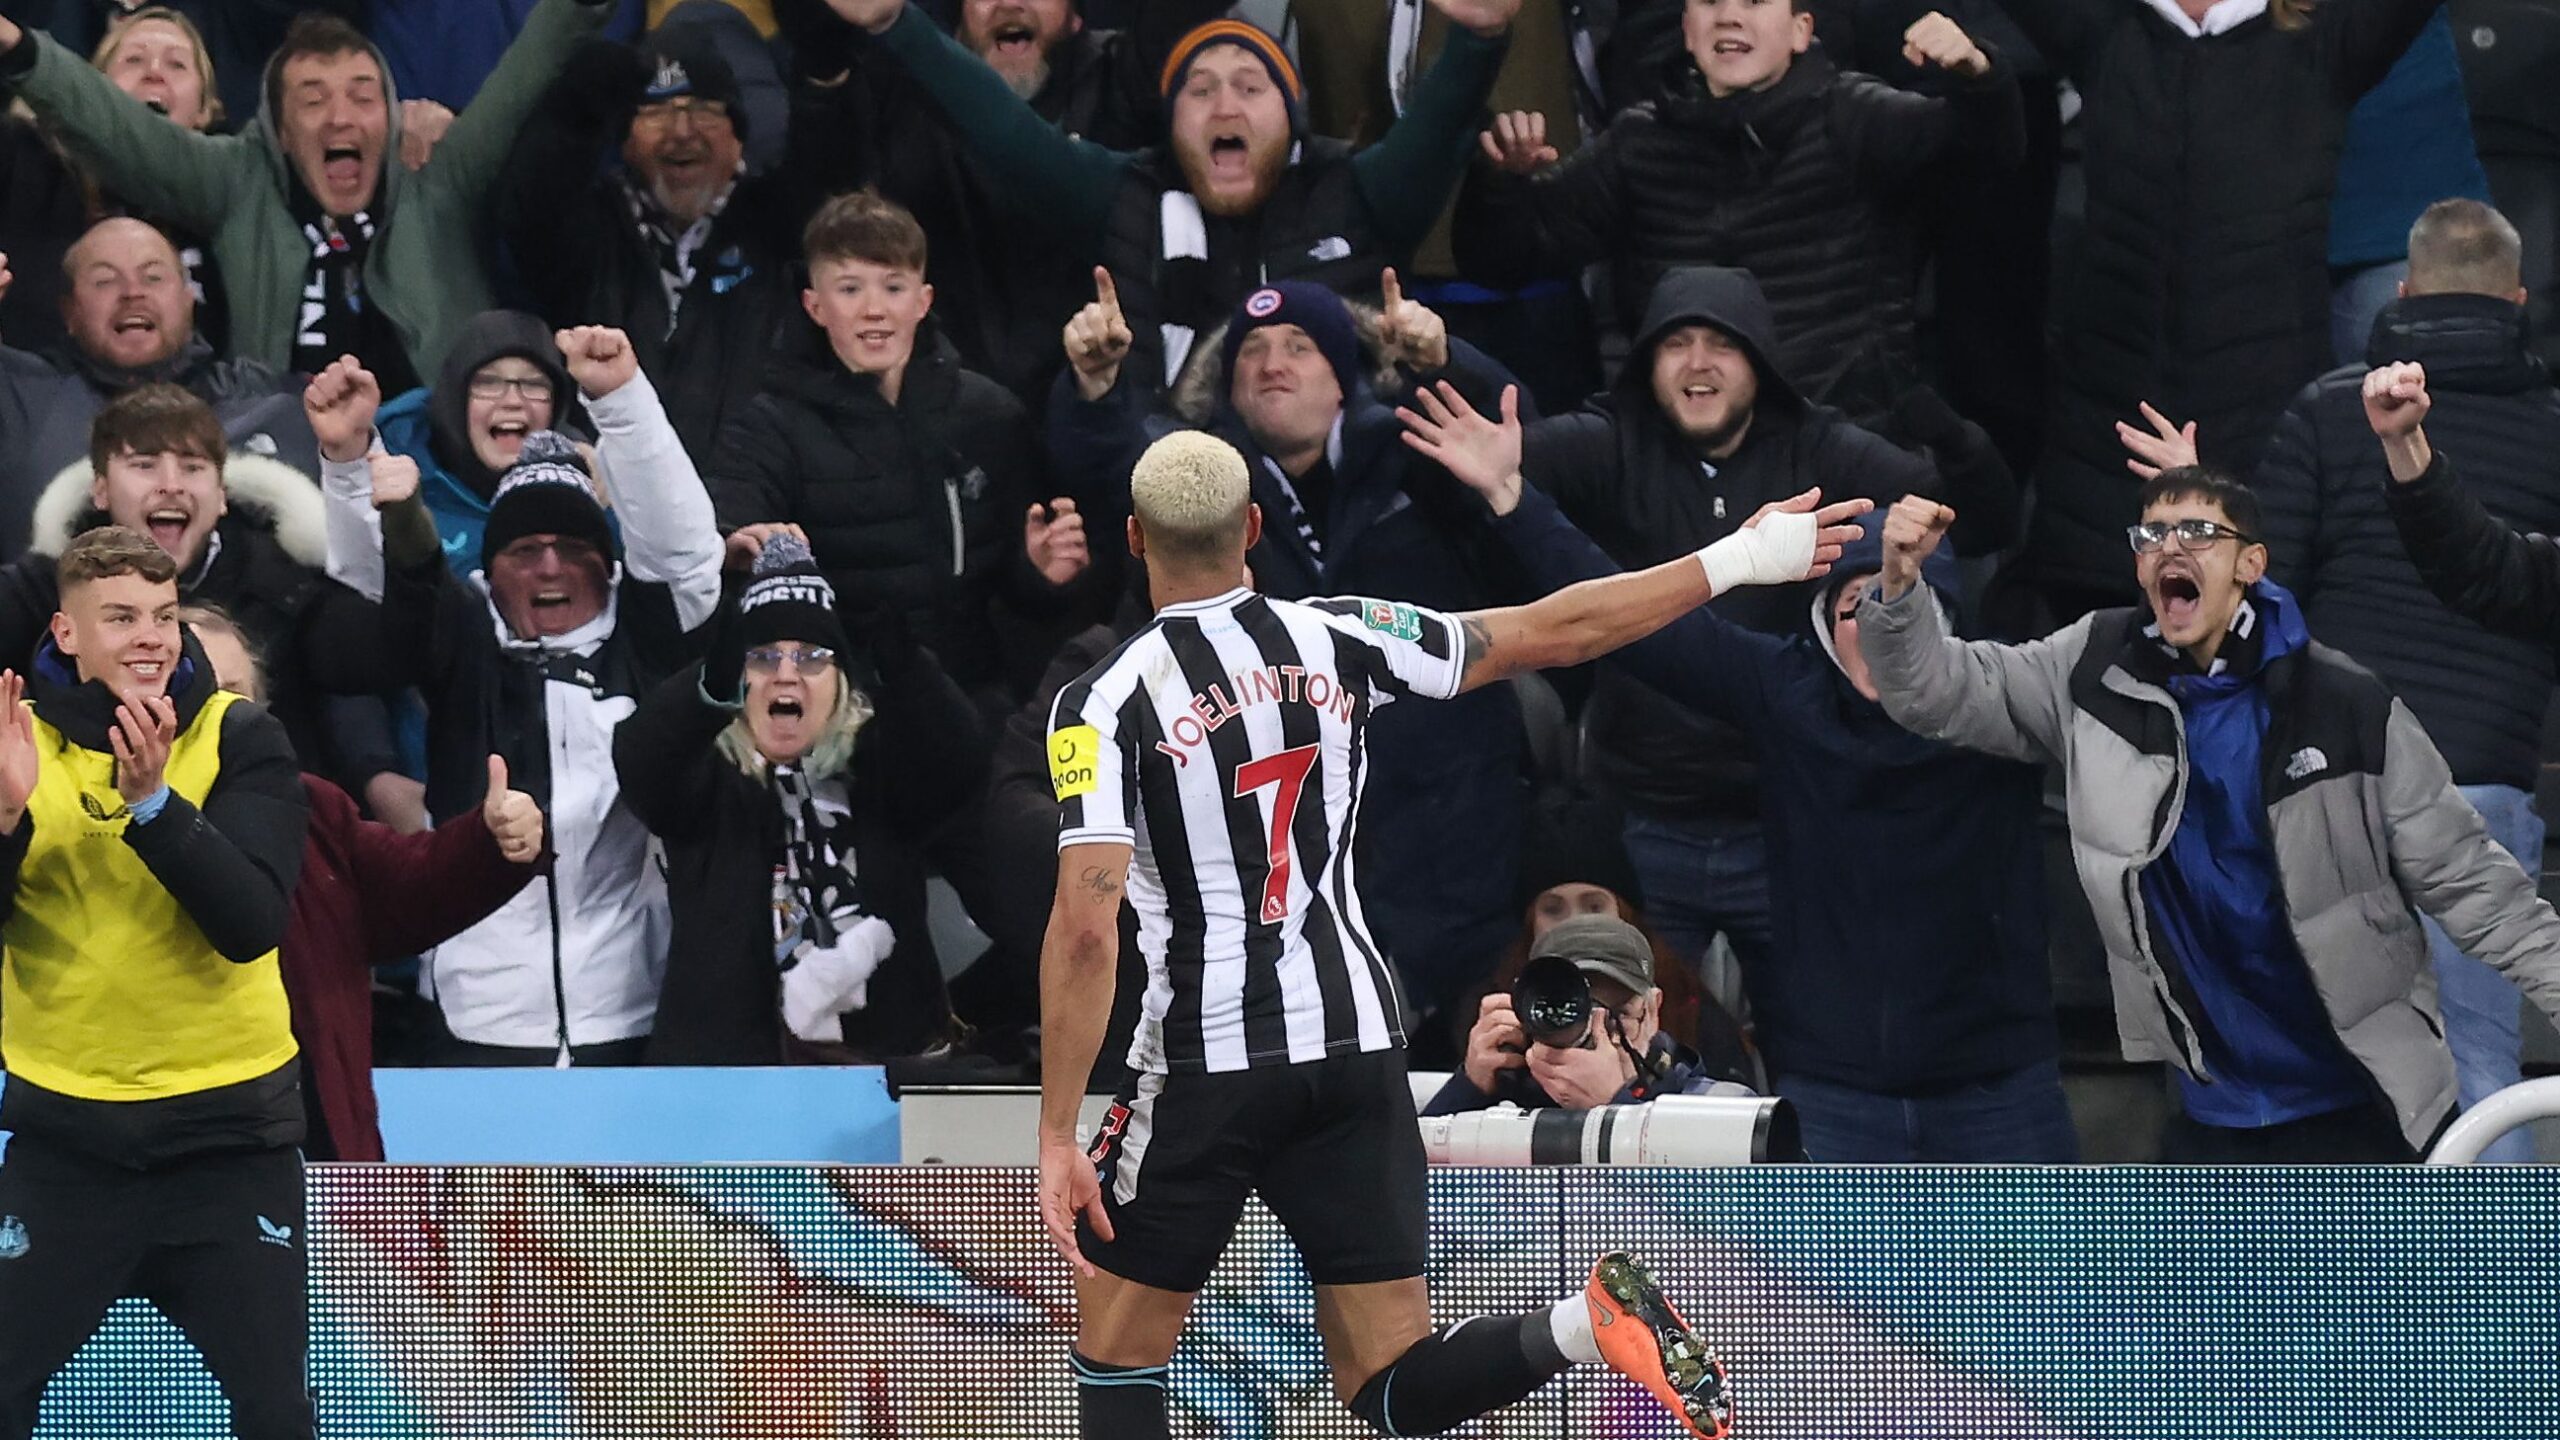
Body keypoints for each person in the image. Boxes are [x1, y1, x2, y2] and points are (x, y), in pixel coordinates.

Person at [1039, 428, 1871, 1439]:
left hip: (1207, 1057)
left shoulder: (1100, 703)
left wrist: (1054, 1132)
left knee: (1116, 1361)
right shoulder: (1339, 633)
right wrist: (1738, 558)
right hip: (1353, 1047)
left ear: (1132, 537)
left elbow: (1087, 931)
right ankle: (1580, 1323)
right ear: (1254, 528)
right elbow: (1550, 630)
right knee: (1388, 1380)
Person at [1412, 381, 2070, 1157]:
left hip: (1999, 1084)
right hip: (1834, 1085)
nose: (1875, 631)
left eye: (1900, 608)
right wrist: (1510, 495)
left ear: (1944, 621)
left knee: (2038, 1281)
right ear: (1823, 622)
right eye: (1853, 607)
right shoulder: (1788, 689)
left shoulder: (2008, 700)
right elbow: (1635, 622)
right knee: (1822, 1286)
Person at [1860, 473, 2560, 1163]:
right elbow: (1936, 693)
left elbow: (2478, 889)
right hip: (2208, 1111)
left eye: (2199, 532)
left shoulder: (2343, 702)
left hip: (2358, 1105)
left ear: (2251, 563)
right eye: (2152, 534)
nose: (2171, 548)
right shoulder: (2092, 668)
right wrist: (1898, 589)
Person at [2123, 199, 2560, 1164]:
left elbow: (2265, 597)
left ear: (2402, 292)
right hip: (2482, 778)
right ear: (2519, 299)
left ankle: (2307, 1304)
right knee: (2479, 1067)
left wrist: (2200, 504)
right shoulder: (2550, 422)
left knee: (2317, 1054)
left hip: (2334, 782)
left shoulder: (2331, 409)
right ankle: (2488, 1309)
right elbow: (2511, 584)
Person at [1498, 264, 2012, 993]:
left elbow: (1981, 518)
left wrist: (1934, 421)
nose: (1698, 363)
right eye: (1677, 342)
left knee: (1811, 1041)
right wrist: (1450, 364)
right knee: (1633, 1040)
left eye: (1722, 344)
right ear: (1647, 362)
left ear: (1762, 364)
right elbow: (1496, 458)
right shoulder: (1616, 438)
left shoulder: (1822, 448)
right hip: (1644, 815)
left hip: (1783, 821)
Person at [1049, 273, 1535, 1032]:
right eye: (1252, 350)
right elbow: (1111, 470)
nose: (1273, 363)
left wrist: (1442, 367)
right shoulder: (1201, 493)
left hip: (1451, 825)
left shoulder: (1418, 459)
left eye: (1300, 346)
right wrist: (1096, 384)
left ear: (1344, 378)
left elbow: (1514, 448)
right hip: (1283, 856)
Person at [316, 325, 723, 1064]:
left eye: (573, 549)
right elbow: (382, 595)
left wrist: (623, 402)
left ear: (607, 563)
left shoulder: (645, 640)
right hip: (479, 1020)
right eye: (523, 551)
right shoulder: (465, 643)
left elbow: (686, 554)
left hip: (634, 1016)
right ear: (490, 566)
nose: (548, 568)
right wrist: (349, 465)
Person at [0, 526, 312, 1439]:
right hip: (67, 1151)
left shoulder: (241, 737)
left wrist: (153, 806)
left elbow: (250, 924)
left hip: (228, 1145)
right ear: (67, 634)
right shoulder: (15, 747)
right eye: (122, 616)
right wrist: (8, 818)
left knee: (275, 1412)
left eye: (165, 616)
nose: (150, 637)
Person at [813, 0, 1522, 398]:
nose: (1224, 105)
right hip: (1168, 520)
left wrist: (1479, 38)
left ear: (1293, 116)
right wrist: (893, 24)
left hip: (1348, 515)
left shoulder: (1355, 192)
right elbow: (1004, 132)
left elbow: (1435, 128)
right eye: (1199, 89)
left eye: (1251, 87)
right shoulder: (1126, 196)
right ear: (1169, 124)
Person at [1989, 0, 2445, 614]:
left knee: (2253, 648)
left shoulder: (2322, 41)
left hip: (2263, 433)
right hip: (2104, 446)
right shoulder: (2106, 30)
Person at [0, 0, 616, 393]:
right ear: (280, 133)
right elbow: (123, 130)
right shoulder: (240, 183)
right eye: (314, 100)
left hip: (436, 463)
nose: (341, 118)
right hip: (282, 463)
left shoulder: (440, 185)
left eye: (363, 96)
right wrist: (22, 52)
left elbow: (523, 74)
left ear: (392, 117)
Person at [1456, 0, 2022, 424]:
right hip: (1680, 463)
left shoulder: (1853, 116)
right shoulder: (1639, 143)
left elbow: (1987, 159)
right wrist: (1501, 183)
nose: (1729, 17)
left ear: (1802, 30)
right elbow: (1504, 257)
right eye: (1708, 1)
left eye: (1754, 1)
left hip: (1843, 447)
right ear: (1685, 27)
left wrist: (1979, 76)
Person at [184, 604, 546, 1160]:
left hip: (321, 1146)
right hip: (181, 1151)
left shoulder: (313, 808)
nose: (220, 715)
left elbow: (410, 885)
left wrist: (490, 840)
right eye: (199, 693)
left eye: (236, 694)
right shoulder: (104, 817)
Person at [617, 532, 992, 1062]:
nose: (786, 675)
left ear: (840, 680)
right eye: (763, 657)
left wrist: (904, 663)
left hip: (884, 1077)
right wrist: (706, 681)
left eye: (811, 657)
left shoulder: (883, 767)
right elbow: (642, 762)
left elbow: (961, 759)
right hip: (726, 1087)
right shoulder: (707, 776)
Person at [714, 191, 1089, 718]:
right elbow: (728, 551)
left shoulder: (990, 415)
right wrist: (735, 551)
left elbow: (1020, 598)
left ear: (923, 299)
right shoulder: (767, 429)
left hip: (977, 708)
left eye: (893, 287)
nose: (874, 309)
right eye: (849, 288)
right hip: (839, 726)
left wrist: (1043, 576)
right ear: (814, 305)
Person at [771, 0, 1228, 402]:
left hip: (1101, 415)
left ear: (1077, 15)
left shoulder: (1123, 81)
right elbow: (820, 211)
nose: (1010, 3)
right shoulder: (892, 86)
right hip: (937, 414)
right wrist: (820, 64)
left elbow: (1028, 150)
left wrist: (893, 21)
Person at [499, 29, 820, 461]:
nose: (682, 131)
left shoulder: (779, 227)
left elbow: (832, 165)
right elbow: (531, 206)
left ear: (739, 135)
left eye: (704, 110)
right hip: (608, 504)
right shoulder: (586, 234)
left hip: (753, 503)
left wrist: (825, 77)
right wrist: (574, 115)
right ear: (626, 142)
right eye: (658, 112)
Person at [0, 383, 331, 762]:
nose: (171, 486)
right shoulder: (41, 588)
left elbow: (381, 653)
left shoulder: (282, 583)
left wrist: (358, 470)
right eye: (144, 465)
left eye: (192, 467)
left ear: (222, 494)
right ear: (101, 490)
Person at [0, 217, 320, 547]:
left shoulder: (269, 400)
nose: (133, 293)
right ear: (70, 312)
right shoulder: (17, 395)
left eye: (153, 277)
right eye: (105, 281)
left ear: (188, 300)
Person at [0, 6, 229, 355]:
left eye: (177, 64)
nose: (154, 73)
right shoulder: (22, 161)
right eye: (134, 60)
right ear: (93, 88)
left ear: (205, 111)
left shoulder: (232, 197)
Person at [1428, 913, 1750, 1115]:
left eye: (1618, 1015)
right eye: (1574, 1011)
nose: (1598, 1038)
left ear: (1652, 1010)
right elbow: (1399, 1203)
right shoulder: (1504, 1108)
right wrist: (1468, 1088)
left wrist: (1615, 1106)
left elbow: (1738, 1219)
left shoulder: (1716, 1108)